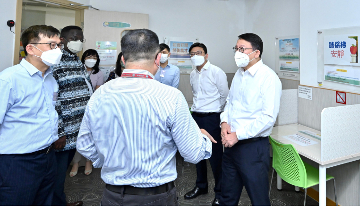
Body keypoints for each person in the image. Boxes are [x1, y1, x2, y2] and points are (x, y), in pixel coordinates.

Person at [77, 29, 216, 206]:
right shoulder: (171, 96)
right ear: (158, 58)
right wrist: (200, 137)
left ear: (122, 59)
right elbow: (193, 153)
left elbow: (84, 144)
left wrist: (109, 161)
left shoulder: (100, 94)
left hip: (112, 195)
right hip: (157, 197)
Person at [0, 25, 62, 205]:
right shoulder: (8, 79)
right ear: (30, 48)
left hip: (48, 156)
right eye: (51, 45)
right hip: (18, 161)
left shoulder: (50, 78)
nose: (56, 50)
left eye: (58, 45)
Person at [220, 33, 282, 206]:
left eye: (242, 49)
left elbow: (268, 118)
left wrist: (237, 135)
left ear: (256, 53)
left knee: (258, 199)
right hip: (231, 144)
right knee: (227, 196)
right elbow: (229, 103)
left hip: (252, 148)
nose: (237, 53)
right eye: (236, 49)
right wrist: (224, 122)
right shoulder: (239, 75)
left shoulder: (269, 78)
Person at [51, 25, 92, 206]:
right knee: (56, 174)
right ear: (63, 39)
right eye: (76, 37)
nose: (79, 42)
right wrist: (59, 131)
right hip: (63, 132)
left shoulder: (76, 60)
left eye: (81, 38)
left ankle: (59, 201)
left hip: (77, 127)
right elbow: (52, 100)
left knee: (61, 174)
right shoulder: (55, 62)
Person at [184, 43, 229, 206]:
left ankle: (220, 192)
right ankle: (201, 186)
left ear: (206, 55)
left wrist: (216, 113)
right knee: (198, 154)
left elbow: (225, 95)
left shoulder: (217, 72)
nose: (195, 56)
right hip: (196, 116)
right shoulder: (192, 74)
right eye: (192, 54)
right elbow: (196, 95)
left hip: (212, 118)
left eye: (198, 53)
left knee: (216, 157)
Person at [69, 49, 104, 177]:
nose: (91, 59)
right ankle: (76, 162)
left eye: (94, 57)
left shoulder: (98, 73)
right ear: (83, 58)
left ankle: (89, 160)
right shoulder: (78, 70)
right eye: (89, 56)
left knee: (90, 134)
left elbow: (98, 91)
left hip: (91, 108)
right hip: (76, 107)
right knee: (78, 134)